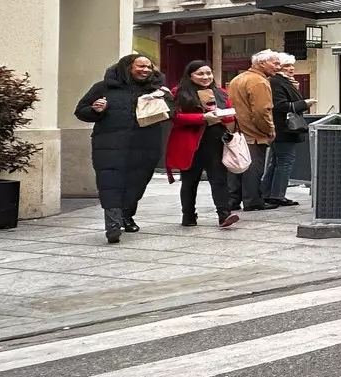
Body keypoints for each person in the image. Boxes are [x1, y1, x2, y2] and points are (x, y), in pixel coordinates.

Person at [73, 53, 167, 243]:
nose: (145, 70)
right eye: (140, 66)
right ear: (128, 67)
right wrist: (96, 110)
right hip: (110, 145)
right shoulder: (103, 88)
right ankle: (113, 224)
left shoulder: (157, 90)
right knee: (111, 184)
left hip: (145, 145)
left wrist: (163, 102)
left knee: (136, 184)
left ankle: (126, 215)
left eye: (148, 67)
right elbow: (81, 111)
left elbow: (170, 113)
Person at [167, 60, 241, 229]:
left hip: (215, 143)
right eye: (200, 74)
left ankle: (224, 215)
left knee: (219, 180)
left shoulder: (220, 93)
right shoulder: (178, 92)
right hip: (190, 144)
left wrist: (226, 115)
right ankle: (188, 215)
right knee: (189, 182)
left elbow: (229, 116)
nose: (205, 77)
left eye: (208, 73)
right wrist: (202, 117)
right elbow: (176, 118)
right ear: (190, 75)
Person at [226, 51, 278, 211]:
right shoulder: (259, 82)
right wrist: (269, 130)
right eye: (274, 63)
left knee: (236, 166)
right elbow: (262, 111)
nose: (278, 66)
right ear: (261, 63)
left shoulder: (238, 79)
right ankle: (253, 201)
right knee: (253, 168)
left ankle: (232, 200)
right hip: (253, 133)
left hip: (237, 130)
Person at [264, 54, 308, 207]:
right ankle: (277, 195)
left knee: (276, 161)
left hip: (283, 128)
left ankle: (268, 193)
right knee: (285, 161)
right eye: (286, 66)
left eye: (292, 66)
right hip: (284, 128)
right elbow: (280, 106)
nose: (291, 69)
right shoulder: (277, 82)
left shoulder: (284, 82)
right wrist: (305, 103)